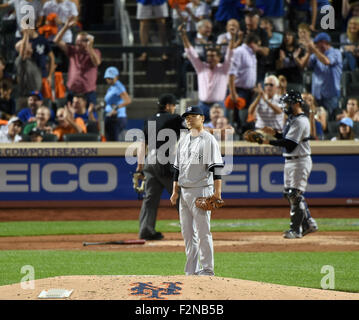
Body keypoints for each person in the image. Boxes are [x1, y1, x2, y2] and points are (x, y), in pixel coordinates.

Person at [170, 105, 224, 276]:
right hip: (184, 192)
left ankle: (207, 269)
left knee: (202, 232)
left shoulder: (209, 140)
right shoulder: (183, 140)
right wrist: (175, 191)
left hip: (201, 190)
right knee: (187, 234)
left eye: (193, 116)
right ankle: (191, 271)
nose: (189, 119)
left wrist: (217, 192)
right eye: (187, 116)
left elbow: (216, 167)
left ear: (202, 118)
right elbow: (176, 169)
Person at [260, 90, 318, 239]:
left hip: (300, 160)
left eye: (288, 103)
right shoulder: (292, 119)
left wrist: (267, 141)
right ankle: (309, 223)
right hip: (291, 160)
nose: (285, 106)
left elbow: (290, 144)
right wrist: (274, 133)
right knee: (289, 194)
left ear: (297, 104)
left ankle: (296, 230)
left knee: (295, 194)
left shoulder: (300, 120)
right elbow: (286, 138)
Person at [136, 93, 186, 240]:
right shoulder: (175, 118)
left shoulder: (149, 120)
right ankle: (192, 230)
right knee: (180, 195)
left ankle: (145, 230)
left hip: (149, 161)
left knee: (150, 199)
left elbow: (141, 145)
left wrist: (140, 167)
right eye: (173, 105)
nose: (174, 108)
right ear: (168, 106)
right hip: (165, 160)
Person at [179, 22, 234, 121]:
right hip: (202, 105)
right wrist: (183, 35)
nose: (210, 58)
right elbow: (190, 52)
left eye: (213, 56)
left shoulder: (224, 68)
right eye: (208, 56)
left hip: (219, 106)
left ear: (219, 57)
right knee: (199, 133)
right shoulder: (201, 67)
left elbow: (230, 54)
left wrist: (233, 39)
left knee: (220, 133)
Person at [54, 16, 102, 112]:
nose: (77, 43)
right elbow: (56, 41)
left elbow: (97, 62)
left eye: (80, 41)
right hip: (72, 91)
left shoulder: (95, 51)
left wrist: (90, 48)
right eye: (77, 40)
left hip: (88, 92)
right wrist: (66, 27)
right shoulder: (73, 50)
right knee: (69, 114)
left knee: (91, 116)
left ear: (87, 42)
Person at [299, 32, 343, 121]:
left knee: (329, 120)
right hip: (317, 94)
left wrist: (314, 50)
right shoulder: (316, 54)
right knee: (316, 119)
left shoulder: (336, 52)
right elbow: (303, 65)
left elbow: (327, 61)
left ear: (323, 42)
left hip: (330, 94)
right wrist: (308, 52)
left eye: (317, 43)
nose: (315, 46)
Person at [228, 33, 260, 133]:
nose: (258, 47)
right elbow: (231, 73)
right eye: (258, 44)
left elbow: (250, 71)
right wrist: (233, 93)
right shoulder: (239, 52)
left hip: (250, 91)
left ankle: (247, 137)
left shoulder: (252, 54)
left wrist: (253, 86)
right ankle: (238, 139)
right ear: (252, 43)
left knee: (248, 118)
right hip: (239, 91)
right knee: (239, 118)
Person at [103, 66, 132, 142]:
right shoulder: (111, 87)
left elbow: (128, 100)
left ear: (116, 77)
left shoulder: (118, 86)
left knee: (115, 141)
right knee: (109, 140)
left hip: (117, 118)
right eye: (108, 77)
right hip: (110, 117)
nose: (109, 79)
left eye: (111, 78)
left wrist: (116, 108)